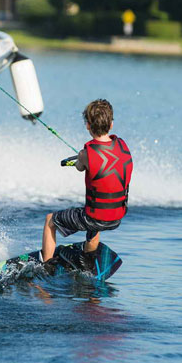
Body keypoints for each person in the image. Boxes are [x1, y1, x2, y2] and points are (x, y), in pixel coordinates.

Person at [41, 99, 133, 266]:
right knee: (96, 217)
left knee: (50, 221)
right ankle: (88, 260)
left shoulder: (86, 154)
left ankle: (46, 267)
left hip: (94, 217)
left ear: (88, 126)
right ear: (111, 125)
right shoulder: (123, 145)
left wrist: (80, 159)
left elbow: (79, 167)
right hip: (118, 216)